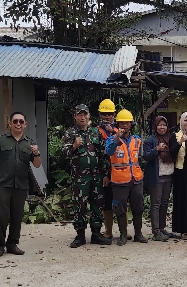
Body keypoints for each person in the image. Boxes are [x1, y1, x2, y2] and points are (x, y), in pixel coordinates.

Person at [0, 112, 42, 257]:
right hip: (2, 184)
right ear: (9, 123)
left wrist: (36, 154)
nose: (18, 124)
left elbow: (37, 165)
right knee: (1, 216)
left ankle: (12, 243)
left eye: (21, 121)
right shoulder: (0, 140)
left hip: (21, 185)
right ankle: (0, 245)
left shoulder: (29, 143)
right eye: (15, 121)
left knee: (17, 216)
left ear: (25, 124)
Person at [63, 104, 112, 248]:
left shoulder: (96, 133)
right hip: (80, 178)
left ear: (89, 116)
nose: (82, 117)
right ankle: (80, 236)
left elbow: (103, 154)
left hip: (97, 177)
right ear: (75, 117)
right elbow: (64, 154)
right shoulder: (70, 134)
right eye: (79, 115)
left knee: (97, 205)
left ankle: (96, 234)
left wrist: (105, 174)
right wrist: (74, 146)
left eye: (85, 114)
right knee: (79, 206)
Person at [104, 109, 148, 246]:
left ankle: (138, 234)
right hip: (119, 180)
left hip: (136, 179)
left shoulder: (137, 140)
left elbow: (139, 159)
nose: (124, 125)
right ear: (117, 124)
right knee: (120, 208)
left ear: (131, 124)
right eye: (121, 123)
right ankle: (123, 235)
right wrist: (117, 137)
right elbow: (108, 151)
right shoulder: (111, 139)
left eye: (127, 123)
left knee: (138, 207)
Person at [142, 116, 174, 241]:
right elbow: (146, 156)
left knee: (165, 203)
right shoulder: (150, 140)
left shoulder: (170, 138)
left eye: (164, 125)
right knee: (156, 204)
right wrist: (157, 149)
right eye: (159, 125)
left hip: (168, 174)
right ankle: (155, 231)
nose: (162, 127)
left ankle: (162, 228)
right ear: (155, 127)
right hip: (156, 176)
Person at [97, 98, 118, 239]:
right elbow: (99, 154)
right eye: (104, 114)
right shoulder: (96, 131)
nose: (107, 116)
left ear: (114, 114)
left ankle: (123, 230)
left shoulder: (120, 130)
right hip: (104, 172)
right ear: (100, 115)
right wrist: (105, 174)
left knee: (121, 201)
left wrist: (114, 133)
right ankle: (108, 230)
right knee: (106, 201)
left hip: (120, 172)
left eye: (110, 113)